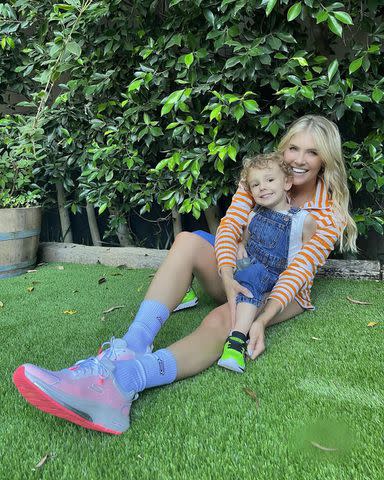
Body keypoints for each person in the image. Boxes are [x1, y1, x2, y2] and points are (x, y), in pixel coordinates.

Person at [13, 115, 357, 435]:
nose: (299, 158)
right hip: (240, 271)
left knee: (227, 317)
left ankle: (124, 383)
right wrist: (225, 270)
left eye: (311, 152)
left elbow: (298, 270)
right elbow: (229, 226)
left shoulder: (329, 213)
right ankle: (127, 349)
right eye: (294, 147)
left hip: (285, 289)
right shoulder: (261, 176)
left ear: (324, 160)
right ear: (283, 150)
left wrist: (262, 319)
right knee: (188, 241)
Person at [217, 152, 316, 373]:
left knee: (251, 279)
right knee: (230, 259)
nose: (262, 187)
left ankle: (235, 342)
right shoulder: (253, 214)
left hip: (274, 275)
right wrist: (240, 244)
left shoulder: (302, 220)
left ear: (287, 182)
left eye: (270, 180)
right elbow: (247, 239)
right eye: (255, 184)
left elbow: (305, 262)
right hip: (250, 265)